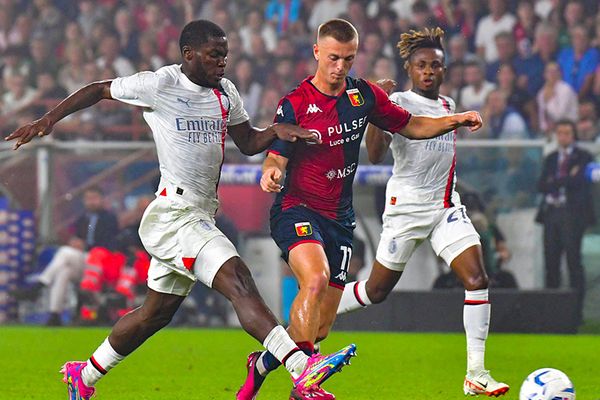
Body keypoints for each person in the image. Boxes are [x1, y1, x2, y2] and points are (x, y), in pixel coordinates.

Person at [5, 20, 356, 400]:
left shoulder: (226, 92)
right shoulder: (160, 84)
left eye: (224, 55)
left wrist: (276, 131)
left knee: (154, 314)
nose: (222, 62)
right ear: (189, 54)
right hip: (174, 214)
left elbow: (248, 142)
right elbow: (98, 89)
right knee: (238, 279)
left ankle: (83, 375)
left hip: (199, 214)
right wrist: (48, 120)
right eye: (214, 55)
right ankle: (302, 367)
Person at [236, 19, 483, 400]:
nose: (340, 67)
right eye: (333, 58)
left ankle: (263, 364)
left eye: (348, 59)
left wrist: (456, 119)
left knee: (318, 328)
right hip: (297, 208)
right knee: (314, 279)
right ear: (317, 52)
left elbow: (411, 125)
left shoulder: (362, 95)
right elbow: (276, 156)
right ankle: (305, 382)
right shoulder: (295, 103)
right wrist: (271, 172)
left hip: (339, 219)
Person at [336, 27, 509, 397]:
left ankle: (476, 373)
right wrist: (375, 109)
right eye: (421, 65)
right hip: (406, 210)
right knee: (376, 290)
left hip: (445, 207)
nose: (428, 71)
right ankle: (321, 307)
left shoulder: (447, 104)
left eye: (435, 65)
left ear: (444, 70)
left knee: (477, 279)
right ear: (409, 69)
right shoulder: (398, 101)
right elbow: (377, 154)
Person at [535, 119, 595, 326]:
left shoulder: (583, 157)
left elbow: (580, 182)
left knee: (573, 262)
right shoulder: (551, 158)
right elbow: (541, 185)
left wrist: (556, 182)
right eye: (560, 133)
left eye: (567, 133)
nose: (563, 137)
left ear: (573, 135)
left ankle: (576, 314)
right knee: (551, 262)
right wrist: (564, 180)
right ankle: (552, 315)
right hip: (552, 213)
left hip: (572, 215)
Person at [74, 186, 119, 251]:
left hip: (103, 252)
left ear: (102, 199)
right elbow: (78, 237)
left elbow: (110, 241)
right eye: (88, 198)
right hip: (83, 252)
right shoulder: (81, 219)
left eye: (94, 198)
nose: (91, 202)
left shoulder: (110, 218)